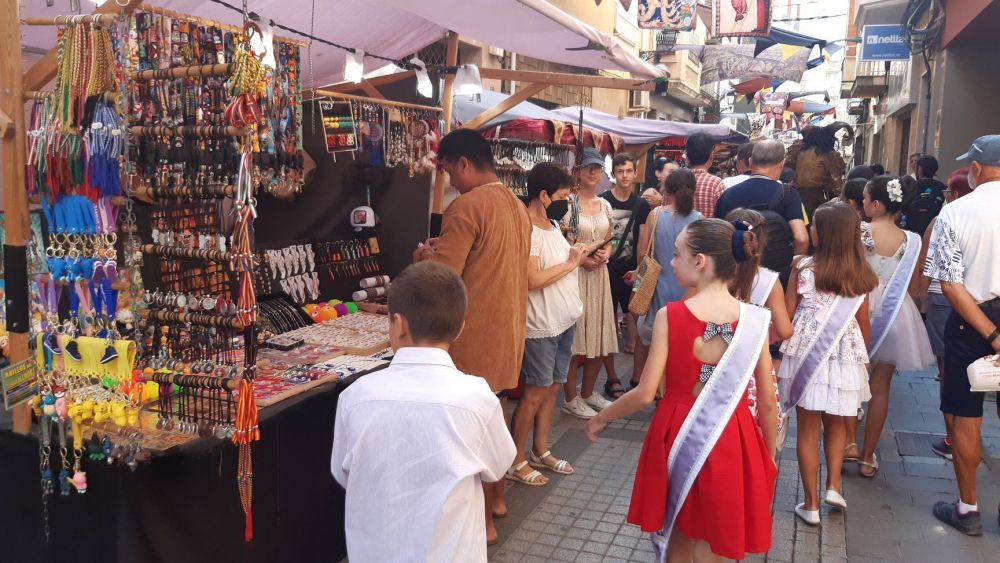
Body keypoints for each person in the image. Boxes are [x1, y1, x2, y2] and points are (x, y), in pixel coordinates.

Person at [585, 218, 778, 561]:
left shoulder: (670, 316)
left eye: (677, 255)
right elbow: (766, 403)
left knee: (679, 533)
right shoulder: (755, 320)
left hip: (677, 432)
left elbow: (646, 393)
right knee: (715, 536)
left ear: (700, 261)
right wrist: (766, 456)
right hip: (734, 435)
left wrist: (603, 416)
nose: (671, 263)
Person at [331, 261, 516, 560]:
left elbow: (343, 472)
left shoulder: (356, 397)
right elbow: (497, 466)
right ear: (459, 330)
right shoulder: (477, 398)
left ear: (399, 324)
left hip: (376, 551)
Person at [412, 128, 530, 544]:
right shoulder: (515, 205)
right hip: (508, 335)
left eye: (448, 171)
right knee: (492, 421)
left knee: (471, 438)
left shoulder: (467, 206)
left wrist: (425, 258)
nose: (449, 181)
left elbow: (443, 280)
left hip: (474, 339)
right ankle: (497, 501)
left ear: (463, 163)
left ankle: (485, 525)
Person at [778, 202, 878, 526]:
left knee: (808, 431)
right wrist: (862, 360)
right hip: (845, 355)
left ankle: (810, 505)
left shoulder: (803, 268)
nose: (809, 230)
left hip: (808, 354)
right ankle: (833, 485)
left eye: (814, 226)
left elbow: (788, 313)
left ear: (825, 234)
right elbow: (865, 325)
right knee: (837, 424)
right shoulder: (861, 274)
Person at [924, 135, 1000, 536]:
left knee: (967, 417)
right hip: (985, 322)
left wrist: (991, 334)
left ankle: (968, 509)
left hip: (972, 322)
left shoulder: (957, 212)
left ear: (977, 169)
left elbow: (950, 285)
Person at [843, 176, 935, 478]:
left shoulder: (859, 230)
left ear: (877, 204)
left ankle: (848, 444)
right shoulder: (912, 240)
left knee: (849, 378)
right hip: (895, 312)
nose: (864, 202)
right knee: (881, 387)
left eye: (867, 198)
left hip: (857, 307)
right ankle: (869, 457)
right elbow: (914, 282)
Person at [507, 163, 586, 487]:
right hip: (541, 324)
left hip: (563, 319)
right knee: (535, 392)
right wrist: (571, 263)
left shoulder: (552, 222)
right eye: (563, 196)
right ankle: (515, 459)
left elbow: (558, 266)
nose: (566, 203)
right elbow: (533, 279)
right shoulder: (527, 226)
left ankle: (540, 449)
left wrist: (581, 257)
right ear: (543, 195)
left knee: (552, 388)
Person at [913, 168, 972, 461]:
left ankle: (952, 436)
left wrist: (919, 295)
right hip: (978, 300)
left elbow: (926, 257)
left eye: (948, 191)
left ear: (956, 194)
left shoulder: (944, 218)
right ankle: (969, 432)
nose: (945, 196)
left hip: (943, 296)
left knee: (947, 369)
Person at [629, 169, 702, 388]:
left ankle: (645, 383)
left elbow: (643, 254)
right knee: (680, 342)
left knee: (652, 339)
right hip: (687, 289)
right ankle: (671, 387)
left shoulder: (656, 215)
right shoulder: (698, 219)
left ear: (666, 190)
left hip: (657, 287)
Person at [561, 148, 618, 420]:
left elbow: (610, 239)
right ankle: (570, 397)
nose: (593, 172)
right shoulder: (569, 205)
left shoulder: (605, 205)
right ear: (578, 171)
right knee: (576, 336)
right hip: (577, 275)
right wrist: (581, 260)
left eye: (597, 167)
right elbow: (562, 242)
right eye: (587, 168)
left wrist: (608, 253)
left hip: (600, 277)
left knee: (599, 333)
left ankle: (588, 392)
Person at [714, 140, 810, 284]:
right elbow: (801, 238)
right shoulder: (787, 193)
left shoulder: (727, 195)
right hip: (775, 276)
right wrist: (791, 269)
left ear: (751, 162)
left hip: (736, 275)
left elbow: (718, 237)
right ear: (782, 164)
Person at [601, 153, 651, 364]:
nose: (625, 176)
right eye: (620, 171)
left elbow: (643, 238)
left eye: (628, 171)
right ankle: (611, 347)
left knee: (633, 307)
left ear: (635, 173)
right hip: (608, 264)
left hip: (633, 266)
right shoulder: (603, 200)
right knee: (609, 308)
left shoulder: (642, 205)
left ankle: (631, 345)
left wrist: (641, 267)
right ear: (613, 174)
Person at [785, 123, 850, 219]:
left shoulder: (798, 152)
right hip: (818, 197)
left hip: (797, 196)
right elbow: (836, 181)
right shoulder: (827, 154)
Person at [900, 155, 947, 237]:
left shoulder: (911, 186)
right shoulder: (942, 187)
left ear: (920, 169)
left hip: (912, 232)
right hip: (934, 231)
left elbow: (903, 207)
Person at [686, 132, 726, 218]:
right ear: (711, 155)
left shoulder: (673, 181)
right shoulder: (716, 184)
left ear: (687, 156)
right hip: (707, 231)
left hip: (677, 231)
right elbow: (723, 218)